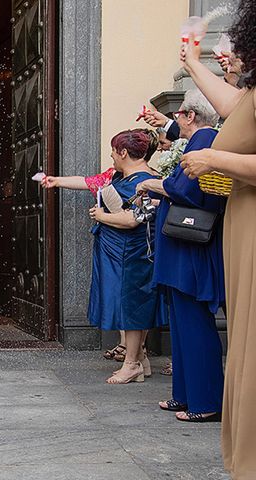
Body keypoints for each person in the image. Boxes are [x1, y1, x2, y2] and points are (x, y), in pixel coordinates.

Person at [178, 2, 256, 475]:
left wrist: (214, 161)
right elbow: (232, 108)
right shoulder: (250, 93)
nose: (234, 53)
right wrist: (191, 62)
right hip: (243, 220)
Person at [45, 130, 165, 383]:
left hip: (130, 253)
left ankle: (131, 363)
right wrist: (56, 180)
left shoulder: (143, 182)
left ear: (123, 153)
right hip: (122, 251)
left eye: (113, 150)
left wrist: (102, 216)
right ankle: (139, 359)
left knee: (131, 306)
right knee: (133, 304)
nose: (111, 155)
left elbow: (133, 219)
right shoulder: (126, 176)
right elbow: (90, 182)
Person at [137, 89, 225, 423]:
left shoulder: (204, 140)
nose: (175, 122)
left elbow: (187, 189)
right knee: (182, 322)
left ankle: (205, 401)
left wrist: (151, 184)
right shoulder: (200, 137)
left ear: (189, 115)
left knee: (194, 323)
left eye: (178, 116)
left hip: (190, 247)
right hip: (182, 245)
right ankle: (185, 395)